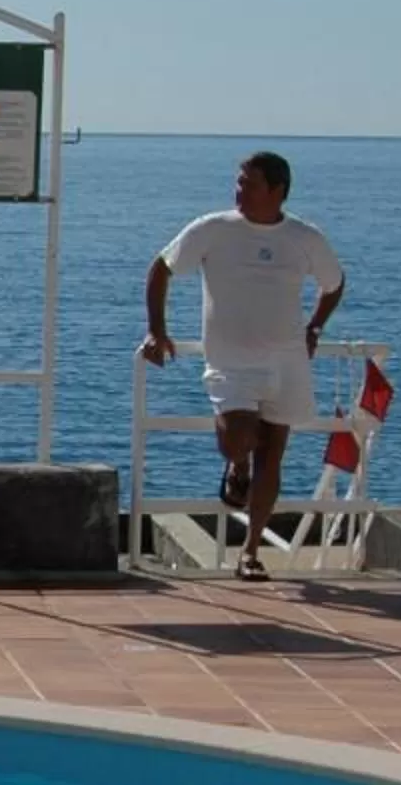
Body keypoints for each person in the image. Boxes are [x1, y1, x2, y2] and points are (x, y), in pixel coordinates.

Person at [137, 151, 346, 581]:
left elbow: (334, 283)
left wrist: (315, 328)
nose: (239, 190)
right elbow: (161, 269)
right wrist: (158, 331)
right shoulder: (213, 229)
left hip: (286, 361)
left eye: (248, 183)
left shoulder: (304, 238)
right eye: (238, 181)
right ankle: (237, 464)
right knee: (237, 440)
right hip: (231, 361)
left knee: (274, 454)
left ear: (277, 190)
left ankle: (250, 552)